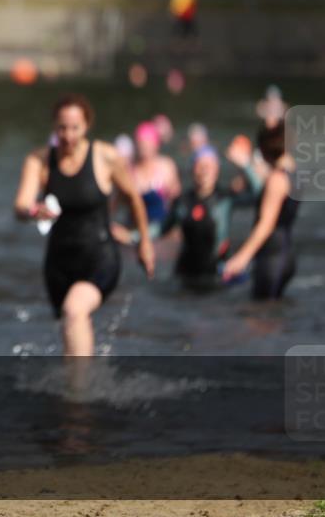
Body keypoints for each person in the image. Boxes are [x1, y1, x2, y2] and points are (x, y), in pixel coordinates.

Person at [14, 93, 154, 356]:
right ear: (54, 126)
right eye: (62, 128)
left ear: (87, 125)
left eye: (75, 128)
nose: (68, 135)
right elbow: (20, 206)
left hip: (100, 257)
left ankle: (80, 394)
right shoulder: (40, 160)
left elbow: (134, 198)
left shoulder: (105, 157)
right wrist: (35, 210)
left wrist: (144, 243)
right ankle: (80, 385)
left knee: (74, 310)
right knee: (71, 326)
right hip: (58, 264)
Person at [114, 145, 255, 290]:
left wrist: (245, 165)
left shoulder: (226, 199)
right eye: (200, 165)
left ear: (217, 169)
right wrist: (132, 236)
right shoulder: (182, 202)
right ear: (193, 169)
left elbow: (259, 195)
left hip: (217, 274)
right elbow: (161, 228)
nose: (205, 170)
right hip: (186, 274)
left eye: (209, 165)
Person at [223, 123, 300, 299]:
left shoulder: (276, 180)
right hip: (286, 254)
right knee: (273, 316)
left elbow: (266, 224)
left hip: (271, 258)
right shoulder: (294, 175)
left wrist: (242, 258)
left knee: (259, 319)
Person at [131, 120, 182, 236]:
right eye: (141, 144)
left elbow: (177, 201)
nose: (144, 148)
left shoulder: (167, 166)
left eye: (147, 144)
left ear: (156, 145)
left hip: (162, 227)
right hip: (136, 229)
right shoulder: (129, 171)